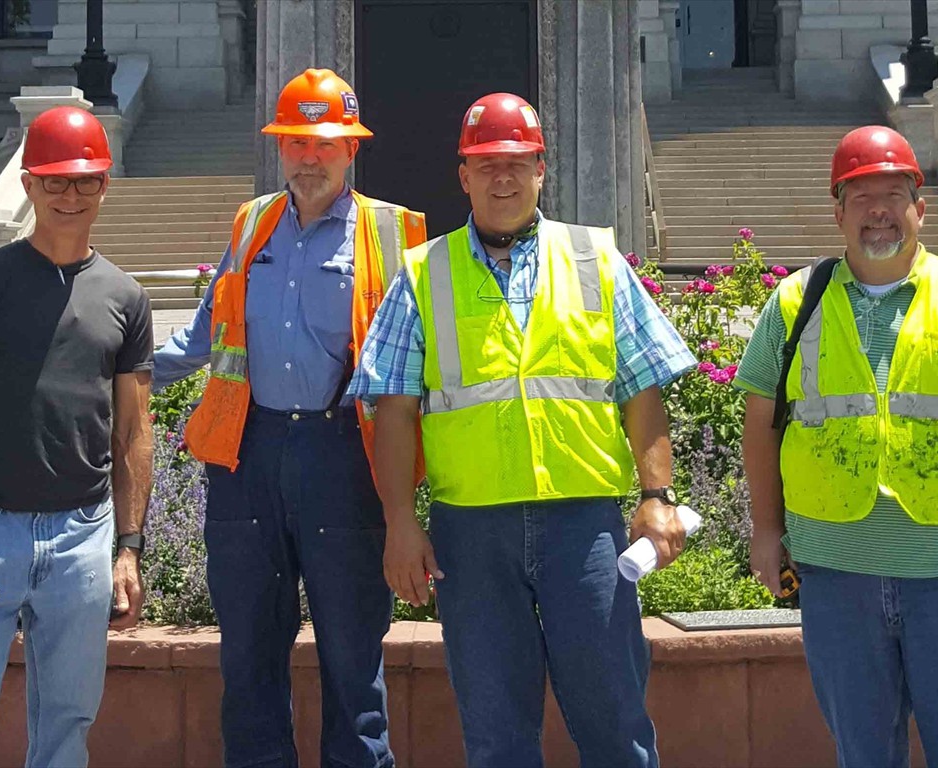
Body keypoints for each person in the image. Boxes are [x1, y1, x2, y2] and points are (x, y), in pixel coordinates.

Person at [349, 92, 695, 768]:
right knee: (498, 736)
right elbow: (391, 408)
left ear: (542, 169)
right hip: (470, 536)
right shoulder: (424, 274)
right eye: (486, 164)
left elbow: (642, 390)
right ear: (463, 176)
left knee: (614, 723)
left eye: (517, 163)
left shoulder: (596, 259)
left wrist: (656, 496)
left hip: (584, 529)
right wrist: (399, 521)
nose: (502, 178)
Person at [153, 68, 426, 768]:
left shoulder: (394, 235)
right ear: (280, 147)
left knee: (352, 662)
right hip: (248, 460)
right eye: (296, 143)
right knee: (246, 660)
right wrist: (114, 365)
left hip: (346, 461)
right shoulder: (251, 225)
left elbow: (430, 360)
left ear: (351, 149)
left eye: (324, 143)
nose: (309, 157)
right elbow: (205, 336)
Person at [0, 106, 154, 767]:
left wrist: (128, 549)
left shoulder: (125, 297)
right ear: (27, 184)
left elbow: (134, 432)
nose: (69, 195)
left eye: (83, 181)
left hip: (84, 538)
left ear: (105, 183)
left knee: (65, 734)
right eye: (54, 181)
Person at [739, 125, 938, 767]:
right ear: (837, 211)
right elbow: (760, 424)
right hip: (835, 574)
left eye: (892, 194)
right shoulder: (797, 301)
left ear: (920, 206)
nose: (878, 211)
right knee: (863, 754)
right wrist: (766, 532)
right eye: (860, 197)